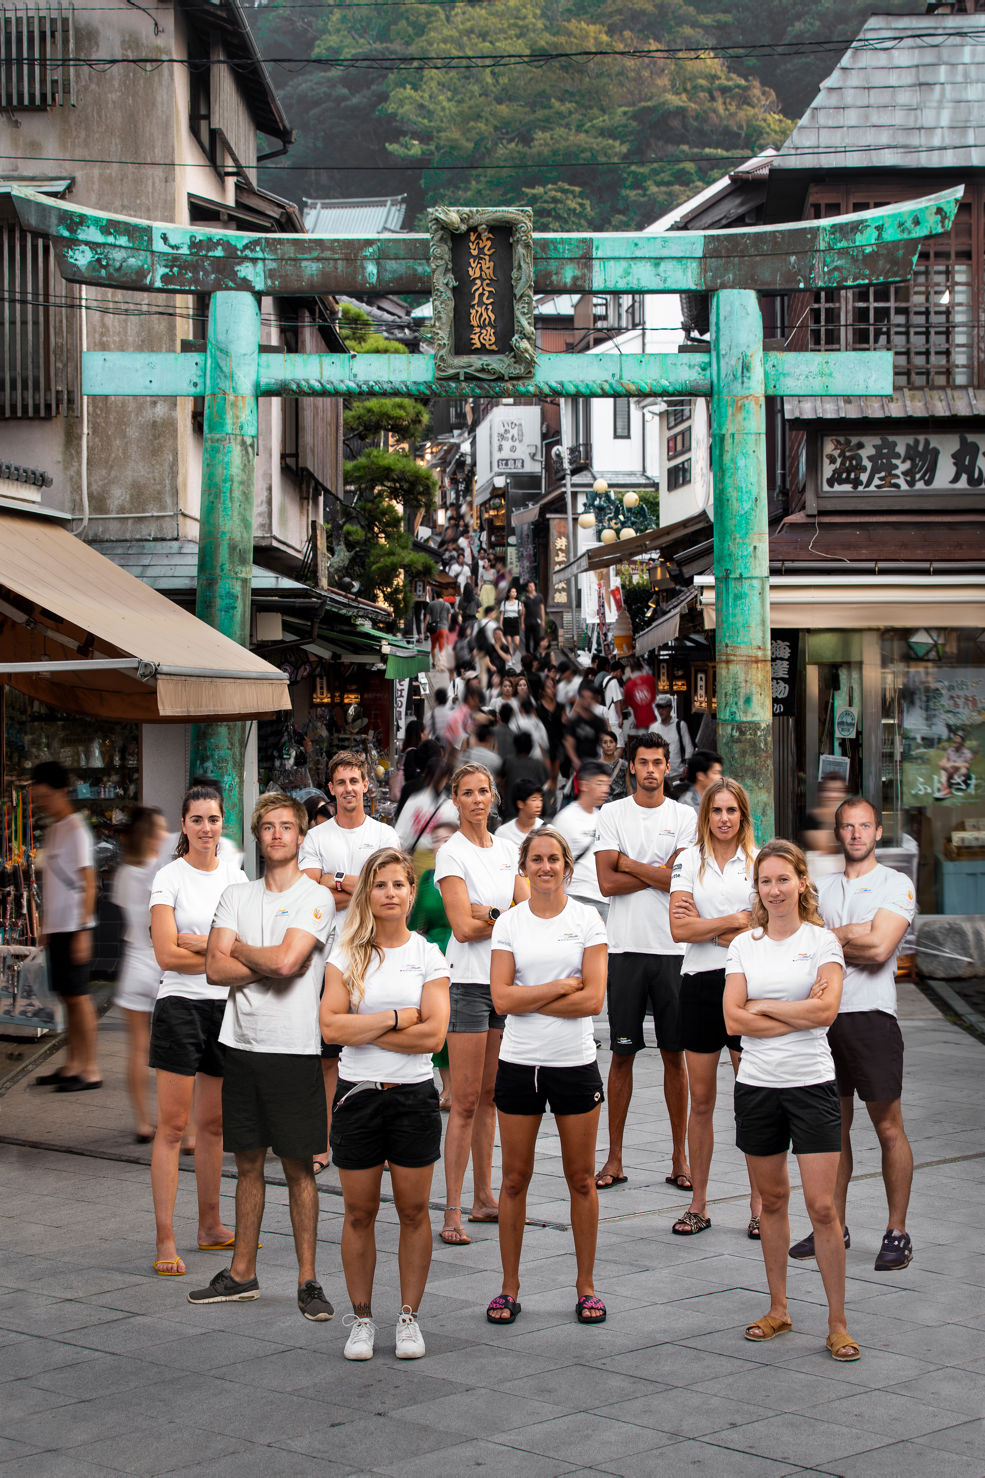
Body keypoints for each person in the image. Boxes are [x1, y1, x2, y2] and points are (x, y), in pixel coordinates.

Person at [189, 793, 337, 1319]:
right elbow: (213, 968)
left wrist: (244, 952)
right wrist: (267, 961)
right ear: (259, 836)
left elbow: (290, 960)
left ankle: (308, 1281)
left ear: (300, 837)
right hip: (241, 1045)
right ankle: (242, 1274)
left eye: (286, 827)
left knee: (300, 1169)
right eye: (268, 827)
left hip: (294, 1049)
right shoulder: (235, 895)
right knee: (247, 1165)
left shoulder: (315, 898)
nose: (277, 834)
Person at [723, 840, 859, 1362]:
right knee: (773, 1201)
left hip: (811, 1084)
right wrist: (793, 1008)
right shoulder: (743, 946)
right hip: (757, 1086)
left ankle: (838, 1323)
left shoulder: (823, 942)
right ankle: (778, 1309)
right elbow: (733, 1020)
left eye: (783, 879)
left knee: (822, 1206)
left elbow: (826, 1012)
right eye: (765, 881)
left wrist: (764, 1006)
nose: (774, 890)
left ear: (801, 882)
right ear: (756, 889)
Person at [321, 848, 450, 1360]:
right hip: (357, 1096)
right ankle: (362, 1318)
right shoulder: (346, 952)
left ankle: (409, 1318)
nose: (390, 894)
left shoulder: (427, 954)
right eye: (380, 885)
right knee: (359, 1212)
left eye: (399, 885)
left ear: (410, 893)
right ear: (366, 894)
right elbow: (330, 1027)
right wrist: (399, 1017)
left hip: (413, 1097)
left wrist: (365, 1029)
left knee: (415, 1211)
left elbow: (434, 1034)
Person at [789, 797, 917, 1273]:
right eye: (848, 827)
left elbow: (882, 947)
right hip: (824, 1021)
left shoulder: (895, 883)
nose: (857, 834)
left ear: (878, 832)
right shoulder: (820, 887)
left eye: (865, 826)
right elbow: (803, 947)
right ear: (839, 833)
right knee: (831, 1130)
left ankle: (897, 1231)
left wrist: (835, 938)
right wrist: (849, 933)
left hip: (872, 1018)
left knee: (887, 1127)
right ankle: (832, 1225)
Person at [487, 828, 608, 1326]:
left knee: (581, 1179)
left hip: (574, 1064)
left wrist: (529, 995)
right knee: (514, 1180)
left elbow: (594, 1000)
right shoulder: (509, 925)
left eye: (553, 859)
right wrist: (560, 987)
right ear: (524, 866)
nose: (545, 867)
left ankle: (586, 1287)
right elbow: (500, 1000)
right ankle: (509, 1287)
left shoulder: (587, 921)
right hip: (519, 1064)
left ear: (566, 866)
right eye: (536, 859)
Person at [148, 784, 249, 1276]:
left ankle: (210, 1224)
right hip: (179, 1007)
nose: (206, 828)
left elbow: (247, 951)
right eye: (197, 820)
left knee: (213, 1126)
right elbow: (165, 954)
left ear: (222, 822)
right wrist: (215, 949)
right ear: (183, 825)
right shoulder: (169, 877)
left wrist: (200, 943)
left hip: (225, 1009)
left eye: (213, 819)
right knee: (171, 1127)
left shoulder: (236, 878)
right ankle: (166, 1237)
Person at [594, 734, 697, 1192]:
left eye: (658, 762)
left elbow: (680, 881)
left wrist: (628, 863)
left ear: (668, 767)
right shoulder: (612, 814)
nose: (651, 770)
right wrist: (657, 870)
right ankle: (613, 1158)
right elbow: (605, 884)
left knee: (677, 1057)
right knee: (621, 1054)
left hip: (675, 950)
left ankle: (680, 1157)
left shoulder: (686, 817)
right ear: (631, 767)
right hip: (625, 949)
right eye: (643, 763)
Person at [434, 761, 529, 1245]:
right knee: (465, 1100)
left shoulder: (509, 850)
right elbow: (463, 929)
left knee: (491, 1096)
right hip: (468, 983)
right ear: (456, 800)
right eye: (467, 792)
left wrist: (488, 911)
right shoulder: (451, 854)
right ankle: (451, 1209)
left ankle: (484, 1197)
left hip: (503, 983)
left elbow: (529, 913)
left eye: (484, 791)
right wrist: (500, 916)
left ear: (494, 797)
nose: (477, 799)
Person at [299, 750, 400, 1175]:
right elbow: (309, 893)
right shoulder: (317, 838)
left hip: (377, 954)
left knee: (386, 1046)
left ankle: (391, 1142)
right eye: (339, 783)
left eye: (354, 781)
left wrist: (334, 879)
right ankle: (321, 1142)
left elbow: (391, 890)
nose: (347, 790)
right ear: (331, 788)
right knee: (326, 1055)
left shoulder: (384, 836)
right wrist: (361, 885)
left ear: (366, 786)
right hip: (330, 958)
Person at [669, 780, 760, 1237]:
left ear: (743, 815)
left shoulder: (759, 861)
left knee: (752, 1098)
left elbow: (764, 929)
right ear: (705, 816)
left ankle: (759, 1206)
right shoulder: (688, 861)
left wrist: (711, 928)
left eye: (732, 810)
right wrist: (731, 925)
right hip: (700, 986)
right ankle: (699, 1203)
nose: (724, 818)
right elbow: (679, 931)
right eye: (716, 810)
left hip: (748, 986)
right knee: (701, 1100)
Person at [31, 760, 100, 1091]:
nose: (42, 802)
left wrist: (83, 930)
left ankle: (90, 1069)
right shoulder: (54, 828)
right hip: (57, 928)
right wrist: (45, 925)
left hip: (75, 928)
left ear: (62, 791)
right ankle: (72, 1064)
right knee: (67, 998)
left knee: (79, 998)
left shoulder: (76, 829)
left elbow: (89, 883)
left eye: (46, 795)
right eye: (38, 797)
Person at [112, 805, 170, 1141]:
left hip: (133, 963)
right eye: (160, 830)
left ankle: (142, 1122)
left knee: (136, 1049)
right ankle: (178, 1123)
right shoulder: (161, 872)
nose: (164, 835)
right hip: (160, 965)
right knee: (168, 1051)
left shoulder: (123, 873)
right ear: (151, 835)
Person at [409, 820, 458, 1109]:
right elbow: (416, 923)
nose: (441, 845)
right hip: (433, 955)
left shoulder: (465, 875)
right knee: (438, 1021)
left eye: (447, 839)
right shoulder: (427, 879)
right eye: (437, 840)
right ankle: (448, 1087)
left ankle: (461, 1085)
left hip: (462, 953)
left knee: (460, 1026)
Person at [554, 762, 610, 922]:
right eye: (600, 783)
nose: (606, 789)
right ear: (584, 785)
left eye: (607, 784)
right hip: (576, 895)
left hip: (603, 897)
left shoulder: (604, 818)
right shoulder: (565, 819)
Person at [563, 680, 607, 773]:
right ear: (580, 699)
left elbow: (604, 742)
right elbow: (569, 744)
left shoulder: (599, 722)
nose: (587, 701)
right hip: (579, 765)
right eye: (584, 697)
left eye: (590, 697)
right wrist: (575, 761)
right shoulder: (574, 722)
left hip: (594, 763)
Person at [653, 695, 693, 781]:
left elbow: (689, 748)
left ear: (670, 708)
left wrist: (687, 767)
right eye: (659, 708)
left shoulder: (680, 725)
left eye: (664, 707)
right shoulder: (654, 728)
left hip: (678, 774)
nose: (661, 711)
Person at [495, 779, 544, 849]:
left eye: (540, 800)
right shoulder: (503, 833)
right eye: (534, 800)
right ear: (520, 804)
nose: (539, 805)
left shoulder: (547, 830)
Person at [937, 731, 974, 798]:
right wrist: (942, 762)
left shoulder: (967, 752)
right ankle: (945, 787)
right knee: (943, 769)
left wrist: (953, 764)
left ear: (962, 741)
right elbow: (945, 759)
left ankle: (951, 784)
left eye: (957, 738)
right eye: (955, 738)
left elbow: (967, 765)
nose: (955, 740)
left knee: (964, 770)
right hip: (951, 772)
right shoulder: (950, 750)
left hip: (961, 774)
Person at [623, 659, 657, 732]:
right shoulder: (650, 679)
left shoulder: (628, 686)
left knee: (644, 741)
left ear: (631, 671)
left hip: (640, 721)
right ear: (642, 669)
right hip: (654, 718)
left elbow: (627, 703)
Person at [599, 730, 628, 801]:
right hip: (602, 806)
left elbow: (629, 787)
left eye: (611, 742)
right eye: (605, 742)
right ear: (601, 745)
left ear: (616, 744)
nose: (608, 745)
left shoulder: (624, 764)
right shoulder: (596, 766)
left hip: (620, 804)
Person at [426, 589, 452, 664]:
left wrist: (425, 629)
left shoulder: (431, 604)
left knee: (433, 646)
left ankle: (434, 662)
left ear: (434, 595)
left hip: (434, 629)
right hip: (444, 629)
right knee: (442, 648)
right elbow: (449, 619)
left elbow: (427, 619)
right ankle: (441, 663)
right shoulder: (447, 605)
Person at [523, 579, 545, 657]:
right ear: (527, 588)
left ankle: (536, 653)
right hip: (527, 621)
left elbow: (542, 609)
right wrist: (522, 623)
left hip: (537, 620)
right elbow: (523, 611)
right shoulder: (525, 598)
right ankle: (528, 653)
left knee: (536, 638)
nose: (531, 587)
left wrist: (543, 620)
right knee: (527, 639)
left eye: (533, 586)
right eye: (530, 586)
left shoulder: (539, 596)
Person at [500, 584, 524, 655]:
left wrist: (523, 608)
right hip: (507, 621)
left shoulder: (518, 603)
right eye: (513, 592)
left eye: (515, 592)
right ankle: (509, 656)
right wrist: (500, 624)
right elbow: (502, 614)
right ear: (509, 593)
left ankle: (513, 654)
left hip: (515, 621)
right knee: (509, 642)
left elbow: (521, 614)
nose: (514, 593)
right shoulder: (504, 603)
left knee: (516, 643)